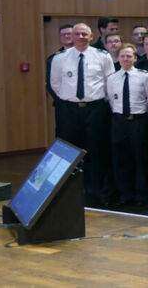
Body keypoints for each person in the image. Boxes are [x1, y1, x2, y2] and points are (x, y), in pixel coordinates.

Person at [50, 23, 116, 205]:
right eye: (77, 34)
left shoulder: (102, 56)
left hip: (95, 109)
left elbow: (109, 82)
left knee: (96, 151)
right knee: (69, 151)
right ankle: (69, 192)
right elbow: (55, 84)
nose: (80, 37)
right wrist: (70, 99)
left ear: (92, 36)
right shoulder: (60, 58)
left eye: (84, 34)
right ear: (71, 36)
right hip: (69, 111)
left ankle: (94, 193)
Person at [105, 44, 148, 207]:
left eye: (129, 56)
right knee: (121, 159)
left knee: (140, 158)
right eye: (122, 56)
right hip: (119, 122)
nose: (125, 59)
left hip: (139, 121)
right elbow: (112, 101)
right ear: (118, 58)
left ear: (135, 58)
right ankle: (125, 194)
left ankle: (141, 194)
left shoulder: (144, 76)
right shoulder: (112, 78)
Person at [45, 24, 74, 102]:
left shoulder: (88, 55)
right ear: (60, 38)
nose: (66, 36)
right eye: (63, 35)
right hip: (64, 104)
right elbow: (50, 84)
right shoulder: (53, 59)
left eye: (69, 34)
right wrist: (60, 100)